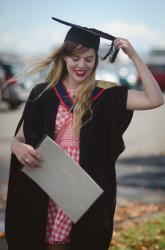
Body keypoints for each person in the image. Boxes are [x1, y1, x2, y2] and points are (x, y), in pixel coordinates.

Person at [5, 17, 164, 250]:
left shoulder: (106, 96)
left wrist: (134, 55)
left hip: (85, 193)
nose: (82, 65)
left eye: (89, 59)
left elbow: (155, 99)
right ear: (64, 58)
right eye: (75, 58)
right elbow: (19, 138)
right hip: (48, 189)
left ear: (96, 61)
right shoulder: (44, 94)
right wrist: (18, 148)